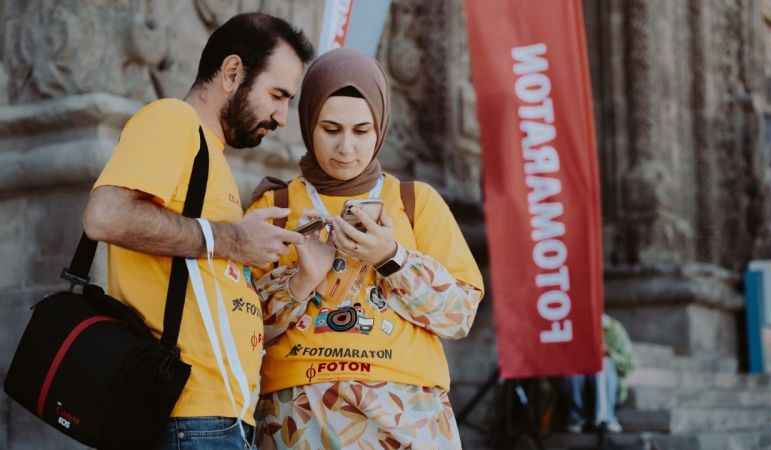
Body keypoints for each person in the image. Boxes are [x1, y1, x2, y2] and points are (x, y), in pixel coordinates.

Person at [82, 13, 314, 450]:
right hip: (188, 415)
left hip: (217, 417)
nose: (283, 117)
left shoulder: (211, 153)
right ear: (232, 73)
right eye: (278, 95)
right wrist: (232, 240)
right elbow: (105, 216)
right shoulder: (172, 121)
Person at [248, 48, 485, 449]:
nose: (346, 148)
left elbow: (460, 314)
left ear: (380, 128)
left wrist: (392, 258)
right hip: (302, 414)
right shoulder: (276, 206)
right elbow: (245, 325)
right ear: (308, 124)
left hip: (406, 415)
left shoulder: (415, 201)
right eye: (331, 129)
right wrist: (301, 280)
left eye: (361, 131)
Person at [562, 314, 634, 434]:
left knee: (603, 363)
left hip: (608, 387)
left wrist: (608, 353)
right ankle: (576, 419)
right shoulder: (571, 326)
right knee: (573, 364)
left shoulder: (613, 329)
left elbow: (629, 364)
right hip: (579, 387)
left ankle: (605, 419)